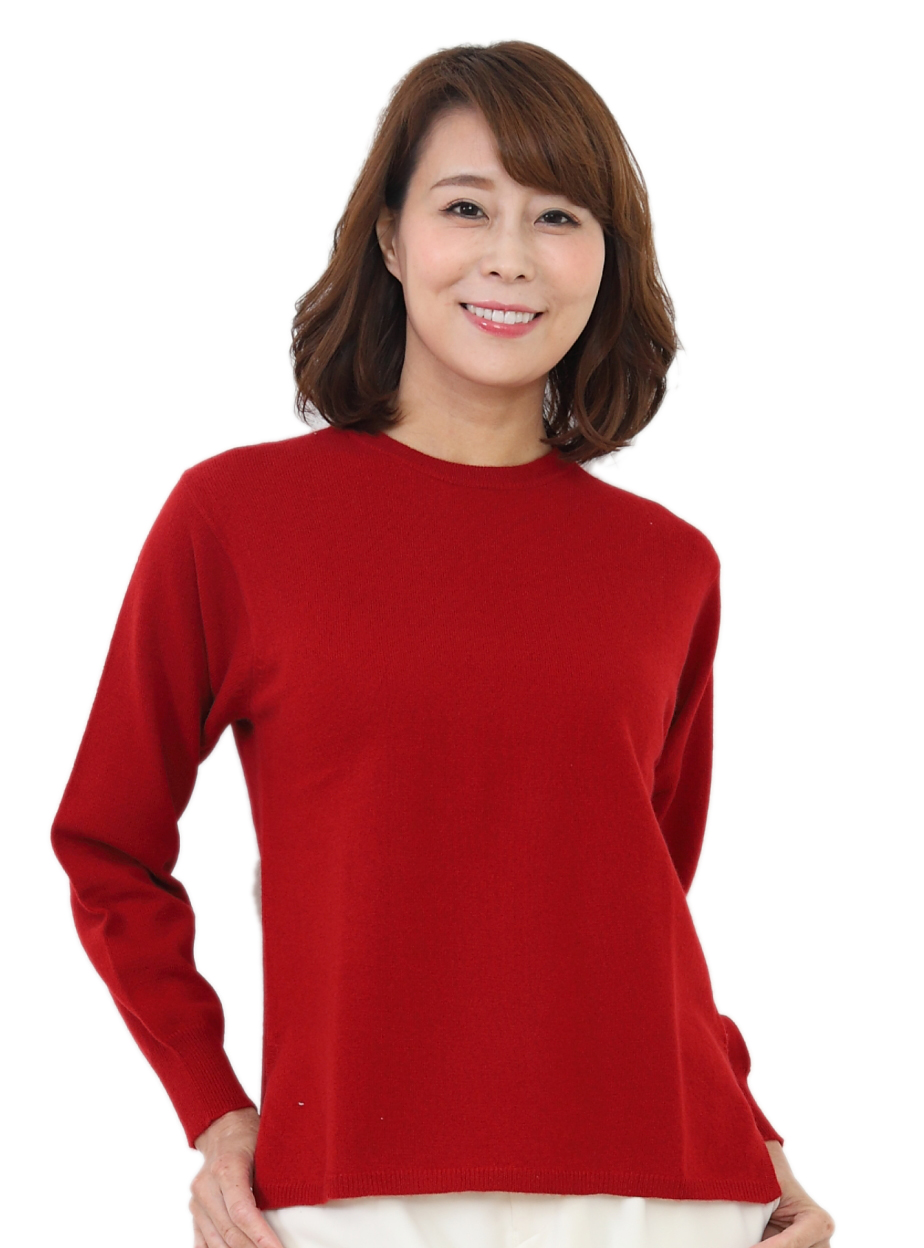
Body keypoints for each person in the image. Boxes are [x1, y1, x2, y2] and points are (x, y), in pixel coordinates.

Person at [50, 39, 836, 1248]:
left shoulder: (670, 564)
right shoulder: (234, 519)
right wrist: (214, 1110)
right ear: (388, 237)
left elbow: (643, 904)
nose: (510, 255)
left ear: (607, 257)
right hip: (351, 1189)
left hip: (669, 1193)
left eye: (558, 216)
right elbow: (106, 844)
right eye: (466, 206)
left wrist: (760, 1135)